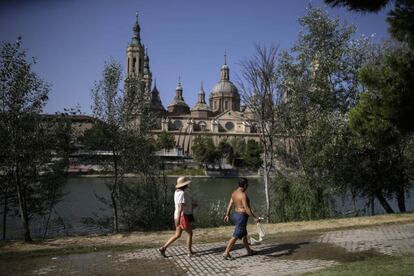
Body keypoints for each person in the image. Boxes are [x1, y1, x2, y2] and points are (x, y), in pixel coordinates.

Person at [159, 176, 197, 257]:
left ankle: (163, 248)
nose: (188, 185)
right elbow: (180, 207)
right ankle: (189, 252)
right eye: (187, 183)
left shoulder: (178, 192)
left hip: (181, 215)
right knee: (190, 233)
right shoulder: (181, 193)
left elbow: (183, 204)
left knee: (177, 235)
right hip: (183, 216)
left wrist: (191, 205)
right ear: (185, 185)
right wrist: (178, 219)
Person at [223, 177, 260, 260]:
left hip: (236, 215)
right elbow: (247, 208)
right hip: (241, 216)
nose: (248, 186)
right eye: (247, 185)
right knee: (236, 235)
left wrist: (227, 215)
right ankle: (226, 253)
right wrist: (254, 217)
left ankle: (249, 251)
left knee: (243, 235)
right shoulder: (243, 195)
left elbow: (230, 204)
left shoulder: (234, 193)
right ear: (245, 185)